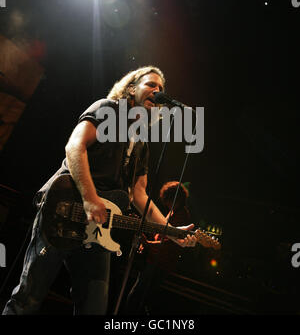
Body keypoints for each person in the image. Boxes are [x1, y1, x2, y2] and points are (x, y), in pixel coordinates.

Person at [2, 66, 197, 315]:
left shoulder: (141, 143)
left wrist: (170, 233)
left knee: (94, 308)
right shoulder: (108, 109)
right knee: (28, 298)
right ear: (131, 88)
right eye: (151, 85)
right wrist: (90, 198)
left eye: (161, 89)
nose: (157, 91)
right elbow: (75, 146)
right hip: (65, 206)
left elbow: (139, 194)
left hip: (98, 229)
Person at [124, 180, 193, 314]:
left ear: (173, 198)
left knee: (138, 297)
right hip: (155, 259)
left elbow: (169, 243)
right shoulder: (172, 212)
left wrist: (147, 243)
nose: (165, 203)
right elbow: (160, 234)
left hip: (160, 263)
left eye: (167, 199)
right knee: (140, 296)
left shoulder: (182, 215)